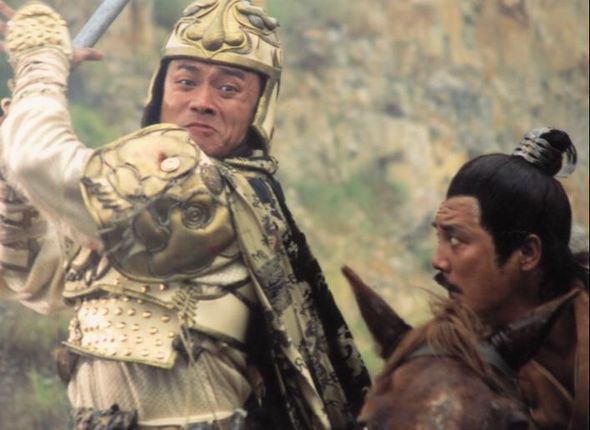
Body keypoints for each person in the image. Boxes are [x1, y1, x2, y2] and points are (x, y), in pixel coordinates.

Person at [0, 1, 371, 429]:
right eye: (186, 81)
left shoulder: (205, 186)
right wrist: (9, 161)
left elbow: (37, 162)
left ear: (258, 108)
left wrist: (40, 65)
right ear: (160, 89)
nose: (202, 102)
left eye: (228, 89)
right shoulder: (127, 193)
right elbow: (33, 277)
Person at [431, 127, 589, 430]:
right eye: (439, 237)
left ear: (527, 252)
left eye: (456, 240)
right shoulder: (460, 362)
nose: (438, 261)